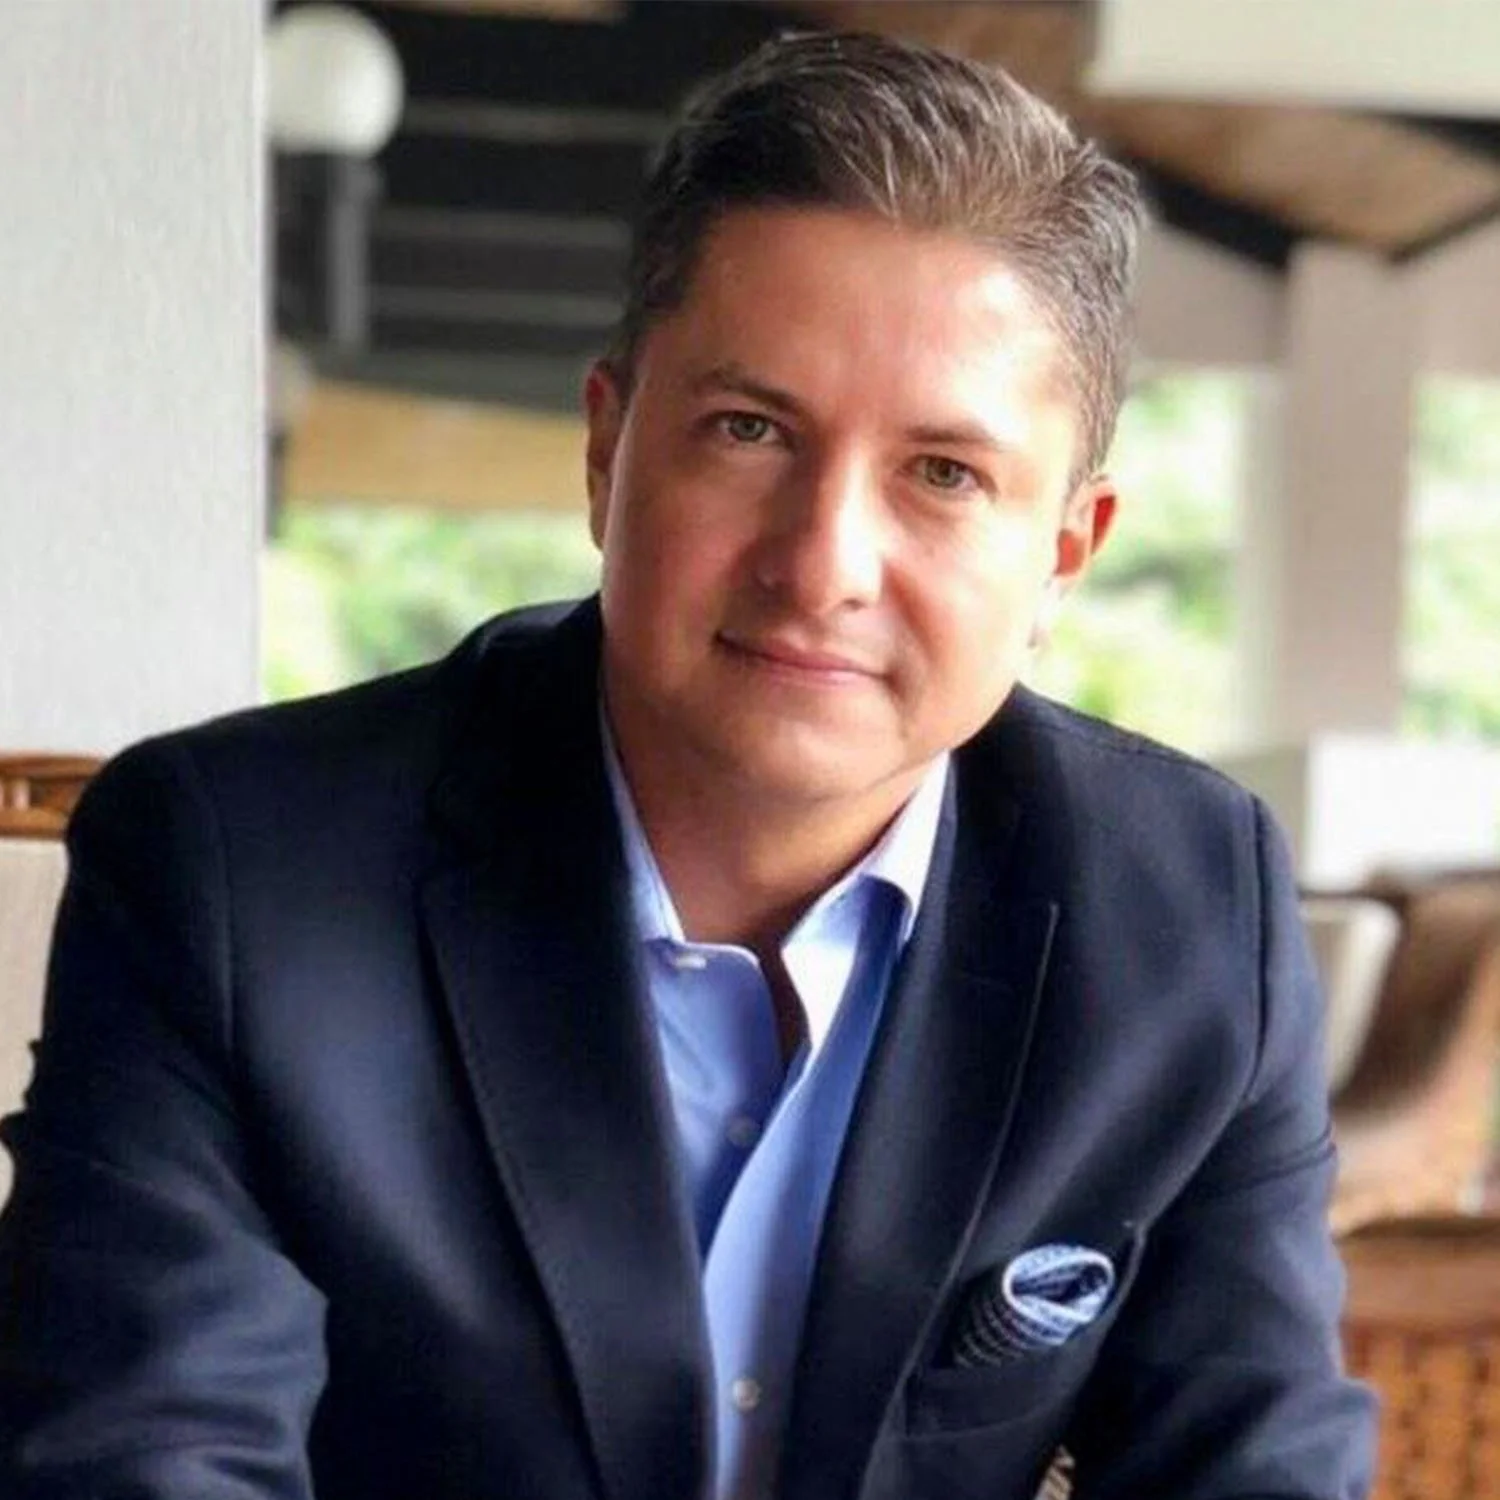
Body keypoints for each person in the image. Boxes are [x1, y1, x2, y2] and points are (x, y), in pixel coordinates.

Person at [0, 29, 1375, 1500]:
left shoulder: (1190, 909)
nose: (823, 564)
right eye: (747, 429)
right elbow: (144, 1465)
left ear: (1064, 553)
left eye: (944, 474)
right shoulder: (232, 871)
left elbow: (1255, 1469)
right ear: (606, 453)